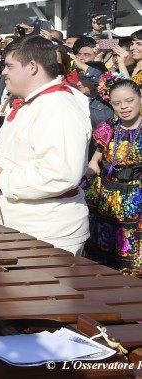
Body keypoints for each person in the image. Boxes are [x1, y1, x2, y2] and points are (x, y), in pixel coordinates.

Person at [0, 36, 91, 254]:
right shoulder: (30, 103)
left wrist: (3, 179)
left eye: (10, 66)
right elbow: (10, 156)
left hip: (46, 233)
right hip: (22, 229)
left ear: (32, 67)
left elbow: (61, 173)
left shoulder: (58, 107)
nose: (4, 72)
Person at [83, 77, 142, 275]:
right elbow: (94, 162)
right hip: (106, 200)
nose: (124, 107)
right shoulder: (107, 127)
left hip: (137, 201)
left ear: (140, 98)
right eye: (117, 103)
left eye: (129, 101)